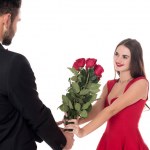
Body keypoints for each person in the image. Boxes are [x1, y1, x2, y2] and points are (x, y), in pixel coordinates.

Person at [0, 0, 74, 150]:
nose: (15, 27)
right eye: (17, 21)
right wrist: (62, 142)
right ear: (7, 19)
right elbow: (35, 114)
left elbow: (9, 112)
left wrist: (49, 128)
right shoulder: (13, 64)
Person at [65, 38, 149, 149]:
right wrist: (74, 122)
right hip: (108, 142)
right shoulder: (110, 85)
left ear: (134, 60)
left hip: (129, 143)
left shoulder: (141, 83)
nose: (118, 59)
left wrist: (82, 132)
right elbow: (96, 110)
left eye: (125, 57)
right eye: (116, 54)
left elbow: (111, 110)